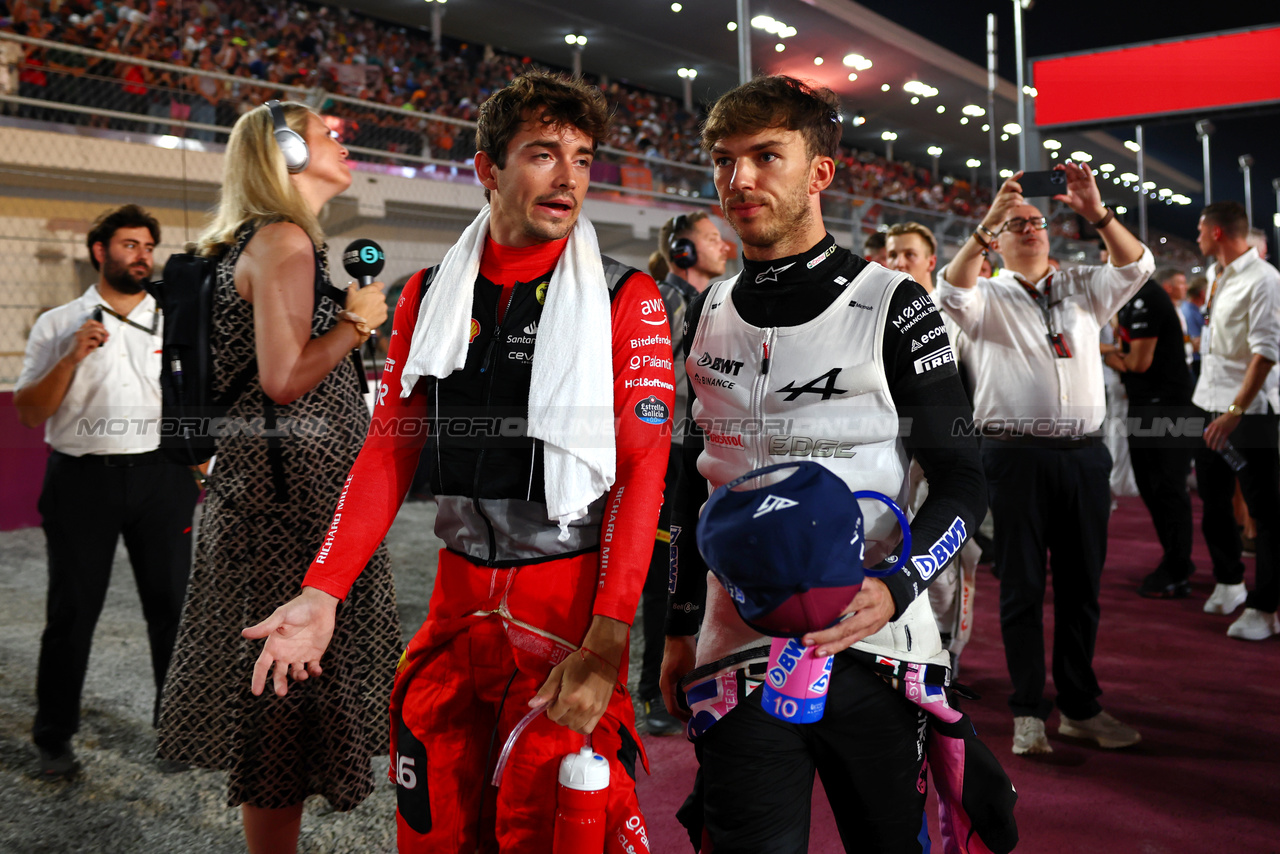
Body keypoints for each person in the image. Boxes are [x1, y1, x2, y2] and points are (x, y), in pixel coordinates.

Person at [243, 72, 672, 853]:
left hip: (567, 616)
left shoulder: (628, 295)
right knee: (433, 833)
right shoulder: (429, 293)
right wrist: (322, 589)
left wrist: (610, 638)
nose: (569, 175)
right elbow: (389, 448)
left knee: (549, 833)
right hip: (455, 609)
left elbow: (645, 472)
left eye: (582, 158)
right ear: (487, 170)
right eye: (543, 154)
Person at [661, 75, 988, 852]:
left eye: (766, 156)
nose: (738, 180)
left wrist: (896, 585)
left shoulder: (896, 303)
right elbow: (687, 482)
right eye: (724, 160)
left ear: (819, 173)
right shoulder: (709, 309)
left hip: (873, 642)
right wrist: (675, 628)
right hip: (735, 644)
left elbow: (965, 478)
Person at [155, 100, 401, 854]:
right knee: (278, 709)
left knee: (284, 707)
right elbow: (286, 376)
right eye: (326, 132)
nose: (342, 138)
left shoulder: (272, 242)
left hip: (282, 501)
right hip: (289, 514)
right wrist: (357, 323)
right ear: (285, 151)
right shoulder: (283, 239)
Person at [936, 165, 1154, 755]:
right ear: (998, 242)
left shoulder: (1083, 285)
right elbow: (949, 288)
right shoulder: (985, 297)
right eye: (1016, 225)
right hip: (1013, 455)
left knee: (1082, 587)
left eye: (1036, 222)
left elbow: (1137, 265)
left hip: (1084, 456)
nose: (1030, 228)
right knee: (1023, 587)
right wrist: (984, 225)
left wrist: (1097, 211)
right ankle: (1029, 709)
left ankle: (1081, 706)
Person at [14, 204, 200, 782]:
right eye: (128, 245)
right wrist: (72, 356)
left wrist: (199, 461)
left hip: (160, 479)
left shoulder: (176, 323)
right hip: (81, 480)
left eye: (148, 246)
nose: (140, 255)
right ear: (100, 252)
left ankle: (176, 732)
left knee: (170, 608)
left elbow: (192, 401)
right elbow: (28, 412)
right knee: (72, 612)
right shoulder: (56, 323)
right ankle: (53, 739)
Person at [637, 210, 735, 737]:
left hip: (698, 451)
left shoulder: (712, 301)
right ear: (682, 249)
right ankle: (654, 689)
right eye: (712, 238)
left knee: (691, 566)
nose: (725, 247)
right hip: (667, 454)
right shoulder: (664, 299)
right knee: (665, 574)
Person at [885, 221, 981, 668]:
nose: (898, 262)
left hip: (946, 455)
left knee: (954, 560)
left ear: (930, 261)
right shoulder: (876, 313)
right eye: (892, 254)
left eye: (908, 254)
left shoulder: (956, 317)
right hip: (896, 456)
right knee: (898, 550)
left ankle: (951, 648)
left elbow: (974, 389)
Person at [1190, 201, 1280, 640]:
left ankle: (1266, 607)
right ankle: (1230, 581)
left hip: (1249, 414)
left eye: (1201, 231)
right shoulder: (1215, 275)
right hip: (1207, 403)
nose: (1198, 237)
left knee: (1265, 513)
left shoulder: (1265, 279)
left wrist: (1235, 412)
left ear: (1218, 232)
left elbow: (1265, 353)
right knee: (1213, 502)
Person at [1102, 268, 1197, 598]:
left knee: (1167, 487)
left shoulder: (1148, 297)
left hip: (1168, 407)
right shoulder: (1131, 298)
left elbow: (1138, 363)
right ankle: (1175, 559)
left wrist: (1095, 350)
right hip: (1147, 405)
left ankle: (1178, 567)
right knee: (1151, 486)